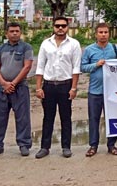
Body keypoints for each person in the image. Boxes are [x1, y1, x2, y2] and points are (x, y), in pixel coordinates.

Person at [35, 17, 82, 159]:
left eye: (63, 26)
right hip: (48, 86)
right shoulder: (45, 44)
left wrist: (73, 88)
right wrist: (38, 88)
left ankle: (66, 147)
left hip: (65, 85)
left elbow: (76, 67)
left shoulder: (74, 44)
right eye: (57, 26)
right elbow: (40, 66)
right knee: (48, 117)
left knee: (66, 117)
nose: (60, 28)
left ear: (68, 27)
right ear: (53, 27)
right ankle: (44, 147)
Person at [0, 22, 34, 157]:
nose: (14, 33)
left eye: (17, 31)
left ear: (20, 33)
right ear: (6, 33)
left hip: (20, 87)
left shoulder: (26, 47)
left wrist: (13, 83)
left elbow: (27, 67)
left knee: (23, 117)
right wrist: (3, 83)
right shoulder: (0, 49)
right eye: (12, 31)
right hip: (2, 88)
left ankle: (24, 144)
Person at [80, 23, 117, 157]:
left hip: (111, 91)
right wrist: (96, 65)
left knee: (111, 118)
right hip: (95, 91)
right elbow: (83, 67)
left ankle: (111, 145)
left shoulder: (114, 49)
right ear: (96, 34)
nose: (103, 35)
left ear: (109, 34)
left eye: (105, 32)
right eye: (100, 32)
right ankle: (93, 145)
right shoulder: (89, 50)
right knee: (94, 119)